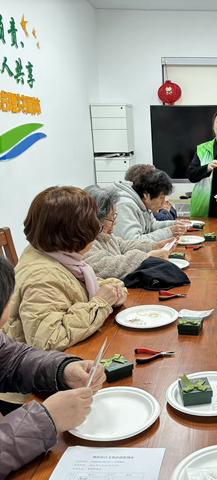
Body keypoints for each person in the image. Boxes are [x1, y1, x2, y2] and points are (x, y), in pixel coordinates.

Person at [0, 257, 106, 477]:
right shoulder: (40, 274)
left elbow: (11, 358)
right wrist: (46, 419)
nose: (8, 317)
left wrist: (63, 370)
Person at [4, 187, 127, 351]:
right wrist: (100, 303)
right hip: (41, 368)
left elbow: (74, 287)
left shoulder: (56, 255)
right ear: (74, 234)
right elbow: (49, 340)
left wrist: (111, 290)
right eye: (94, 228)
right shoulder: (41, 276)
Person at [84, 185, 173, 279]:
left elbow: (122, 244)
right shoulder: (84, 243)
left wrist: (153, 246)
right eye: (111, 218)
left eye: (114, 216)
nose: (115, 223)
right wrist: (146, 257)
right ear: (95, 219)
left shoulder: (104, 235)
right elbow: (105, 266)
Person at [113, 168, 188, 241]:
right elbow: (133, 241)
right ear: (146, 194)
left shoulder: (143, 201)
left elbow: (152, 225)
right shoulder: (124, 205)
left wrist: (174, 224)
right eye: (161, 197)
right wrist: (169, 232)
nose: (163, 202)